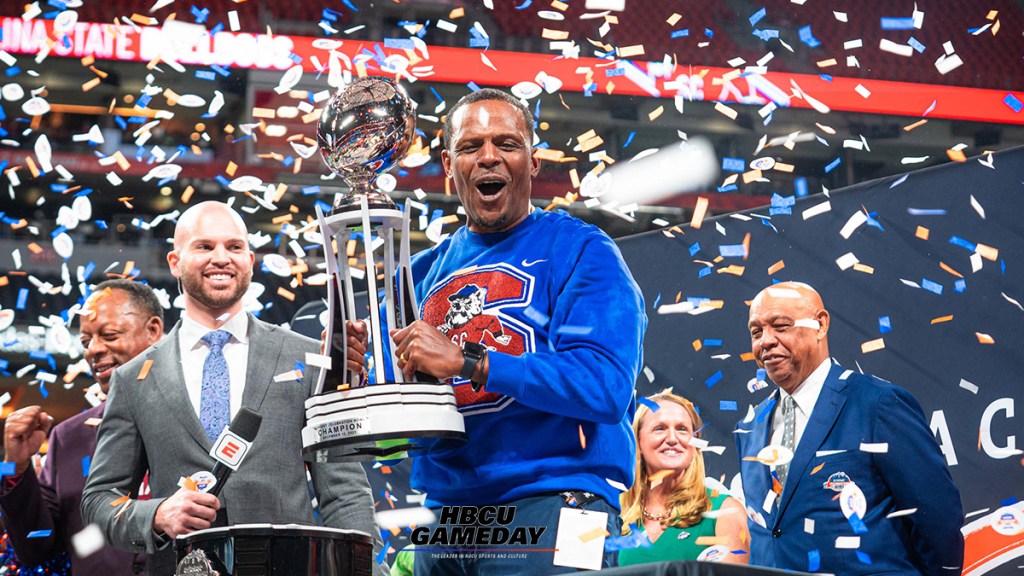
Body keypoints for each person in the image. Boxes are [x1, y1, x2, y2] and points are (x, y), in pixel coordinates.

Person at [349, 88, 646, 574]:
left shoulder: (582, 251)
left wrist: (470, 361)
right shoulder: (418, 274)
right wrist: (353, 372)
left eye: (507, 144)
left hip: (560, 504)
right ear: (448, 164)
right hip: (446, 516)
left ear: (532, 161)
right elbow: (391, 429)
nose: (489, 157)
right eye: (471, 147)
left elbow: (605, 387)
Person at [81, 201, 387, 576]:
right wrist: (157, 514)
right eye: (205, 247)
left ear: (251, 260)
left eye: (234, 247)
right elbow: (98, 501)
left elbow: (345, 493)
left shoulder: (307, 359)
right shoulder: (133, 379)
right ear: (175, 262)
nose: (221, 258)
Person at [734, 281, 963, 575]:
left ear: (820, 325)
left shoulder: (878, 404)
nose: (765, 340)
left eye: (780, 326)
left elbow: (938, 518)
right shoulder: (749, 428)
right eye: (756, 331)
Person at [2, 279, 163, 575]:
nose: (94, 350)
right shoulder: (68, 437)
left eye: (109, 335)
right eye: (86, 341)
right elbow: (34, 549)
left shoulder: (199, 419)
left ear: (153, 331)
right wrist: (14, 468)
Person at [618, 392, 748, 565]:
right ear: (638, 441)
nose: (672, 439)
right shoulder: (617, 514)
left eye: (682, 429)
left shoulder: (726, 511)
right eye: (659, 428)